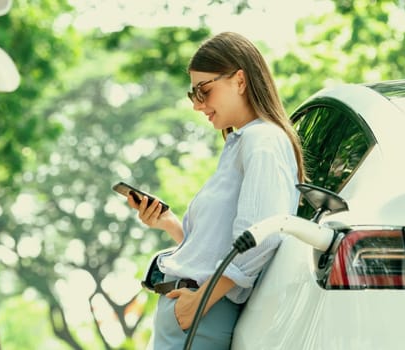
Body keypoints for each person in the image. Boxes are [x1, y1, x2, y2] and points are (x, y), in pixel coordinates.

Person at [126, 31, 306, 349]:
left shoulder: (262, 140)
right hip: (190, 317)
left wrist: (200, 302)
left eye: (204, 91)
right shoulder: (242, 143)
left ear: (240, 80)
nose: (198, 105)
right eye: (192, 94)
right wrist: (168, 223)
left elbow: (260, 235)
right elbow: (216, 250)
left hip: (199, 316)